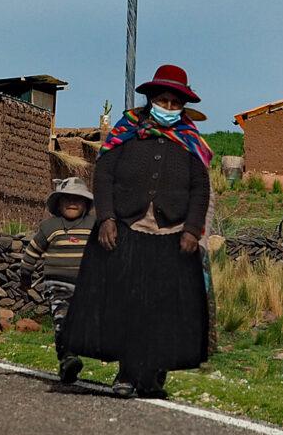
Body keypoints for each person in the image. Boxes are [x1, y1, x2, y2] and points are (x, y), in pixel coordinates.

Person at [59, 63, 212, 400]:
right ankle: (127, 374)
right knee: (128, 306)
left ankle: (153, 376)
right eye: (163, 101)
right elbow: (104, 176)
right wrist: (108, 218)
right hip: (128, 230)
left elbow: (201, 189)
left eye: (175, 103)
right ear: (150, 99)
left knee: (162, 310)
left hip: (171, 238)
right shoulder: (125, 132)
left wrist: (191, 229)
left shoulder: (191, 142)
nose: (169, 108)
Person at [29, 177, 96, 384]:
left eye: (78, 199)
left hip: (88, 287)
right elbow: (32, 253)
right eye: (66, 199)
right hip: (58, 286)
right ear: (58, 204)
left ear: (86, 204)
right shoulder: (50, 227)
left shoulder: (94, 225)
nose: (72, 203)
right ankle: (68, 359)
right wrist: (25, 275)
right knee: (62, 321)